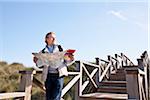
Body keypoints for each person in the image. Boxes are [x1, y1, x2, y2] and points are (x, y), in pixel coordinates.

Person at [33, 32, 74, 100]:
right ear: (46, 39)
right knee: (49, 97)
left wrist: (71, 59)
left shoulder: (60, 49)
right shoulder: (42, 52)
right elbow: (39, 65)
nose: (54, 39)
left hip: (59, 76)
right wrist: (36, 62)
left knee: (56, 97)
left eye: (54, 37)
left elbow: (67, 62)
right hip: (48, 76)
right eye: (52, 37)